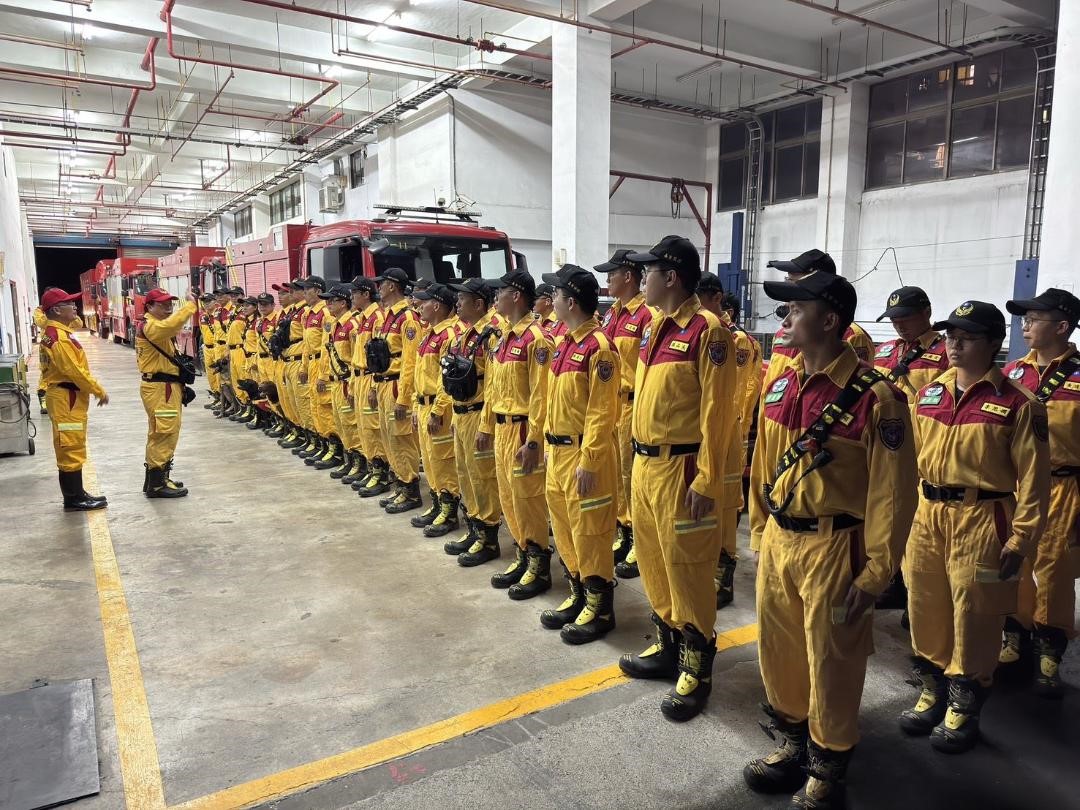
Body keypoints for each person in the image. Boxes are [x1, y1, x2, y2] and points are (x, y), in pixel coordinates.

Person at [744, 271, 917, 808]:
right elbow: (763, 465)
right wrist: (759, 531)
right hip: (781, 540)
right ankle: (794, 740)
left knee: (832, 660)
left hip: (835, 546)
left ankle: (828, 762)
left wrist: (877, 572)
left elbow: (893, 494)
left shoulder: (877, 397)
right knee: (780, 651)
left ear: (829, 320)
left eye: (796, 307)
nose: (786, 317)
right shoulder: (781, 383)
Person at [902, 301, 1049, 755]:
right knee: (925, 604)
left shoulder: (1019, 404)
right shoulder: (930, 393)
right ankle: (932, 685)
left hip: (983, 519)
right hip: (927, 514)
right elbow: (908, 461)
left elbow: (1035, 480)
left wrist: (1022, 538)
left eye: (967, 338)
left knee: (974, 613)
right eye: (951, 336)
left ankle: (965, 698)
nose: (954, 345)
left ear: (995, 343)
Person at [616, 235, 737, 722]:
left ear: (671, 277)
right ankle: (668, 645)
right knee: (652, 560)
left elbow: (718, 414)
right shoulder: (654, 328)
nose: (641, 278)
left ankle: (696, 665)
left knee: (687, 568)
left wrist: (708, 480)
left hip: (682, 469)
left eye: (648, 271)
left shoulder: (708, 331)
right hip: (646, 465)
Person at [999, 289, 1080, 699]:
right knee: (1013, 561)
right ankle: (1014, 634)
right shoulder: (1012, 373)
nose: (1025, 325)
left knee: (1054, 569)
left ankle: (1050, 649)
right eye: (1024, 318)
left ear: (1062, 326)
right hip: (1018, 484)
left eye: (1034, 319)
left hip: (1065, 486)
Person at [538, 264, 620, 644]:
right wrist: (544, 444)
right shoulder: (565, 343)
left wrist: (590, 460)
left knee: (590, 533)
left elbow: (602, 412)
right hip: (558, 453)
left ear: (571, 302)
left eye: (555, 294)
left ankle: (600, 607)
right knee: (565, 530)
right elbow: (554, 402)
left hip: (582, 456)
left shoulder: (599, 348)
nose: (550, 299)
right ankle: (579, 594)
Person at [872, 286, 951, 613]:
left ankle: (919, 596)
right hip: (885, 449)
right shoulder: (883, 352)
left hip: (923, 452)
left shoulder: (945, 352)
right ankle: (892, 581)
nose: (899, 325)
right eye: (894, 319)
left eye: (905, 317)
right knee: (888, 517)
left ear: (926, 313)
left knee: (918, 525)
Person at [479, 269, 554, 599]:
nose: (496, 297)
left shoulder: (536, 339)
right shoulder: (503, 338)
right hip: (502, 428)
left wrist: (534, 440)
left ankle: (539, 565)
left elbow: (541, 396)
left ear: (517, 296)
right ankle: (523, 554)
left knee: (528, 501)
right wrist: (486, 424)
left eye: (502, 291)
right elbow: (493, 387)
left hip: (523, 430)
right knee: (509, 498)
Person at [697, 273, 758, 609]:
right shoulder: (698, 333)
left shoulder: (736, 340)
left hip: (730, 432)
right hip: (705, 432)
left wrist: (740, 429)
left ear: (716, 299)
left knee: (726, 504)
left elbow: (745, 390)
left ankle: (724, 574)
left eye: (699, 297)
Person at [596, 249, 656, 580]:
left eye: (612, 274)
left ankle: (638, 539)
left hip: (634, 404)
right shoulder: (611, 315)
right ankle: (623, 530)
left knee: (632, 473)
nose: (607, 280)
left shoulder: (647, 315)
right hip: (612, 404)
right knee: (618, 473)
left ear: (629, 277)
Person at [443, 277, 504, 564]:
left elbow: (494, 385)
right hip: (461, 413)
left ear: (479, 303)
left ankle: (488, 538)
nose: (457, 303)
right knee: (465, 473)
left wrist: (486, 425)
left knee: (483, 477)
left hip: (479, 414)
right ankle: (474, 526)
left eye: (462, 298)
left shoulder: (492, 334)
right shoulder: (465, 334)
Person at [37, 288, 110, 511]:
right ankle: (73, 498)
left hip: (68, 397)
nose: (74, 306)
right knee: (69, 445)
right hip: (65, 397)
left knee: (73, 443)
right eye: (69, 304)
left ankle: (78, 493)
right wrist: (98, 390)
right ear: (57, 310)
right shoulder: (58, 338)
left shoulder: (58, 331)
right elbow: (75, 371)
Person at [763, 250, 874, 384]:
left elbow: (856, 383)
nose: (789, 287)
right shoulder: (782, 334)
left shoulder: (853, 336)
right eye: (787, 280)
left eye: (793, 281)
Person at [367, 267, 423, 514]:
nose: (378, 287)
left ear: (392, 286)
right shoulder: (387, 317)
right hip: (382, 383)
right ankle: (400, 483)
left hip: (396, 386)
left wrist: (403, 399)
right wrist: (373, 385)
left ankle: (411, 489)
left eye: (382, 283)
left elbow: (411, 361)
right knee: (389, 438)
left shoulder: (407, 318)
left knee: (401, 440)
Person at [409, 282, 462, 536]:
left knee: (443, 462)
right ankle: (438, 503)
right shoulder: (429, 334)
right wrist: (415, 404)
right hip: (423, 406)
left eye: (425, 302)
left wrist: (437, 411)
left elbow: (446, 380)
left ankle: (449, 511)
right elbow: (420, 374)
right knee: (430, 461)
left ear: (438, 305)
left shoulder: (448, 336)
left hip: (437, 410)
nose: (419, 306)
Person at [136, 288, 198, 498]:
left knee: (163, 432)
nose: (168, 308)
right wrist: (190, 306)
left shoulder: (153, 325)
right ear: (149, 306)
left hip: (165, 387)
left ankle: (158, 478)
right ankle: (157, 484)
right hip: (161, 389)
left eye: (170, 304)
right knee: (164, 433)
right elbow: (171, 325)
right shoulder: (152, 326)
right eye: (162, 304)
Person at [350, 277, 392, 494]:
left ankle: (381, 472)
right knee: (364, 428)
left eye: (355, 293)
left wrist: (374, 385)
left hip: (370, 378)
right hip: (359, 378)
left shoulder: (377, 318)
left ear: (366, 294)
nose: (351, 297)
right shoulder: (363, 318)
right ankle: (372, 466)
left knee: (373, 428)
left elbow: (379, 355)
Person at [317, 284, 360, 475]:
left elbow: (357, 359)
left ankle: (361, 464)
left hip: (346, 382)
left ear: (343, 303)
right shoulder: (334, 325)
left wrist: (352, 386)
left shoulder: (352, 325)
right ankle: (348, 459)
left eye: (331, 301)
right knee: (341, 424)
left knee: (352, 425)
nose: (328, 304)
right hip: (335, 382)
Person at [198, 293, 221, 410]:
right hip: (207, 349)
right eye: (204, 302)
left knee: (219, 376)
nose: (206, 304)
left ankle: (224, 400)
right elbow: (202, 332)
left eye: (208, 301)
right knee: (211, 375)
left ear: (215, 301)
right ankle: (217, 397)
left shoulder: (219, 314)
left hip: (217, 348)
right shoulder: (202, 317)